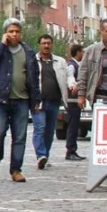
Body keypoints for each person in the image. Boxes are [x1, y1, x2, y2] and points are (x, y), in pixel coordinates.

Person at [0, 18, 42, 182]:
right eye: (11, 31)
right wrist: (2, 45)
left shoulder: (28, 52)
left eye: (17, 31)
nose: (14, 34)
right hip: (0, 100)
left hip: (22, 100)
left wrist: (36, 99)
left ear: (21, 34)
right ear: (5, 33)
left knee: (20, 137)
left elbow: (34, 77)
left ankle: (16, 169)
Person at [32, 34, 75, 169]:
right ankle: (40, 155)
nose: (46, 45)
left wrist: (72, 84)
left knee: (50, 131)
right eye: (43, 43)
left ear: (52, 45)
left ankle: (45, 155)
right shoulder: (32, 61)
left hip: (54, 101)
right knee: (40, 128)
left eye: (48, 43)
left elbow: (69, 75)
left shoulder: (60, 61)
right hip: (38, 101)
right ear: (39, 45)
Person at [64, 44, 86, 161]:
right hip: (72, 101)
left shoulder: (76, 65)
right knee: (73, 126)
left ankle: (73, 150)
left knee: (75, 125)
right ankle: (70, 151)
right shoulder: (72, 66)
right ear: (77, 52)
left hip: (75, 101)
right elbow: (70, 79)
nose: (84, 54)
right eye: (83, 52)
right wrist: (74, 85)